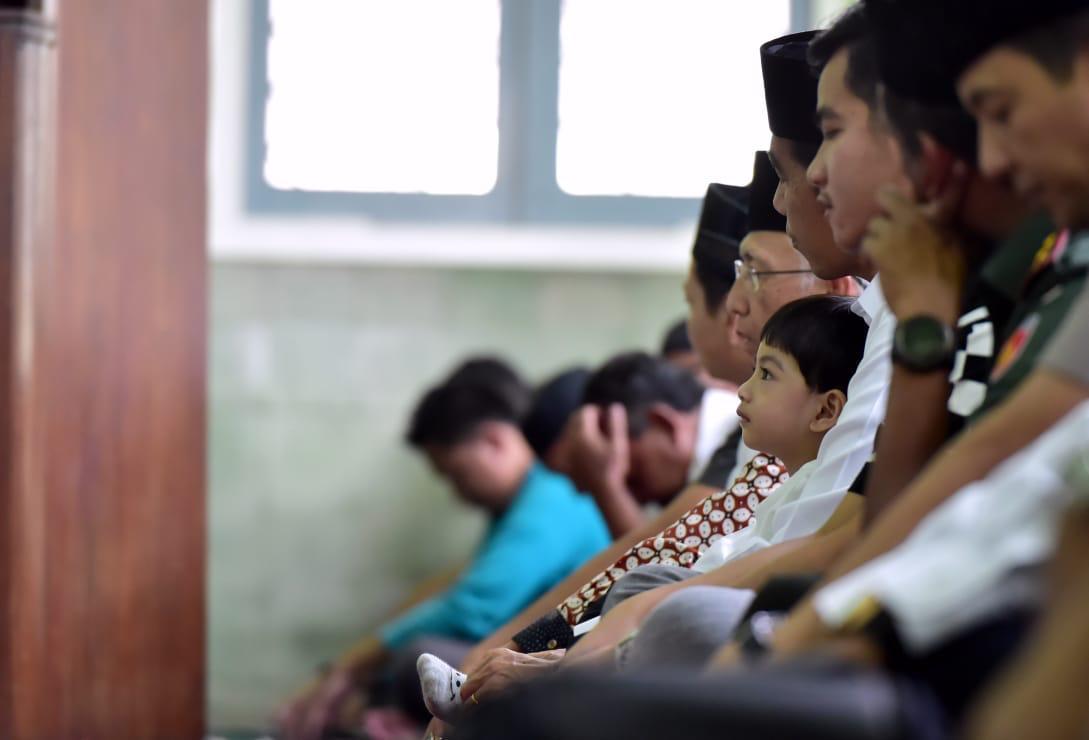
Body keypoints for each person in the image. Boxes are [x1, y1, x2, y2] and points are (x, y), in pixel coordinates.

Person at [418, 294, 869, 721]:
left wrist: (609, 487)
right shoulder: (780, 471)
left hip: (722, 614)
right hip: (674, 600)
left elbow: (677, 552)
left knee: (667, 601)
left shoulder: (816, 477)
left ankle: (540, 682)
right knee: (645, 582)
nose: (742, 392)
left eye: (766, 374)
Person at [277, 358, 610, 740]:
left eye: (458, 475)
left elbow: (471, 610)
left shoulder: (551, 498)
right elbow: (456, 588)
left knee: (417, 654)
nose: (458, 493)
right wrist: (352, 667)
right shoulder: (519, 506)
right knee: (411, 657)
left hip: (567, 660)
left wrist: (353, 669)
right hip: (542, 652)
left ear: (494, 440)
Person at [562, 351, 739, 537]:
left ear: (664, 425)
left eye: (633, 480)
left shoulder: (747, 448)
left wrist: (608, 486)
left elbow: (659, 560)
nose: (634, 500)